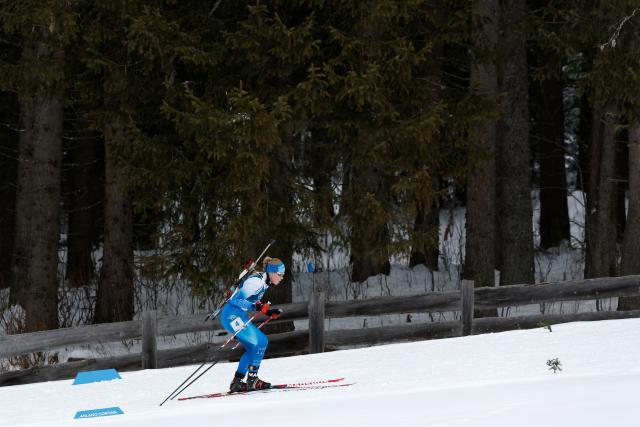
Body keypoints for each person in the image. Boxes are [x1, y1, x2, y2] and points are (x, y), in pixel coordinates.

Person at [220, 256, 285, 392]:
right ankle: (252, 380)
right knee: (261, 341)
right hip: (232, 316)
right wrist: (260, 308)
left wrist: (267, 311)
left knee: (253, 347)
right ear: (272, 272)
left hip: (237, 316)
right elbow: (235, 300)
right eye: (280, 274)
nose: (282, 277)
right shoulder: (257, 282)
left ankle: (237, 382)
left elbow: (252, 302)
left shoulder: (264, 282)